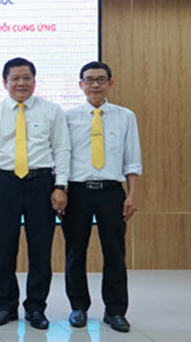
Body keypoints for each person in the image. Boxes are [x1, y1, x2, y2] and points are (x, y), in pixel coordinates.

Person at [0, 57, 70, 330]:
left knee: (40, 249)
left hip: (41, 184)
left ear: (34, 80)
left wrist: (60, 186)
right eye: (15, 78)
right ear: (4, 82)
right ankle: (5, 306)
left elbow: (62, 149)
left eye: (26, 77)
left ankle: (36, 308)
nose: (21, 83)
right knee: (4, 248)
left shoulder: (52, 111)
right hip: (4, 184)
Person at [62, 61, 142, 333]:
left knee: (115, 253)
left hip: (111, 192)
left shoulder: (125, 116)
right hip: (77, 192)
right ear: (80, 84)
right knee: (75, 252)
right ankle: (78, 307)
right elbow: (61, 158)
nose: (95, 84)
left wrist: (132, 195)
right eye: (89, 79)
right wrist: (61, 190)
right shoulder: (68, 117)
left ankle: (115, 310)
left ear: (110, 83)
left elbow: (132, 159)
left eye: (100, 79)